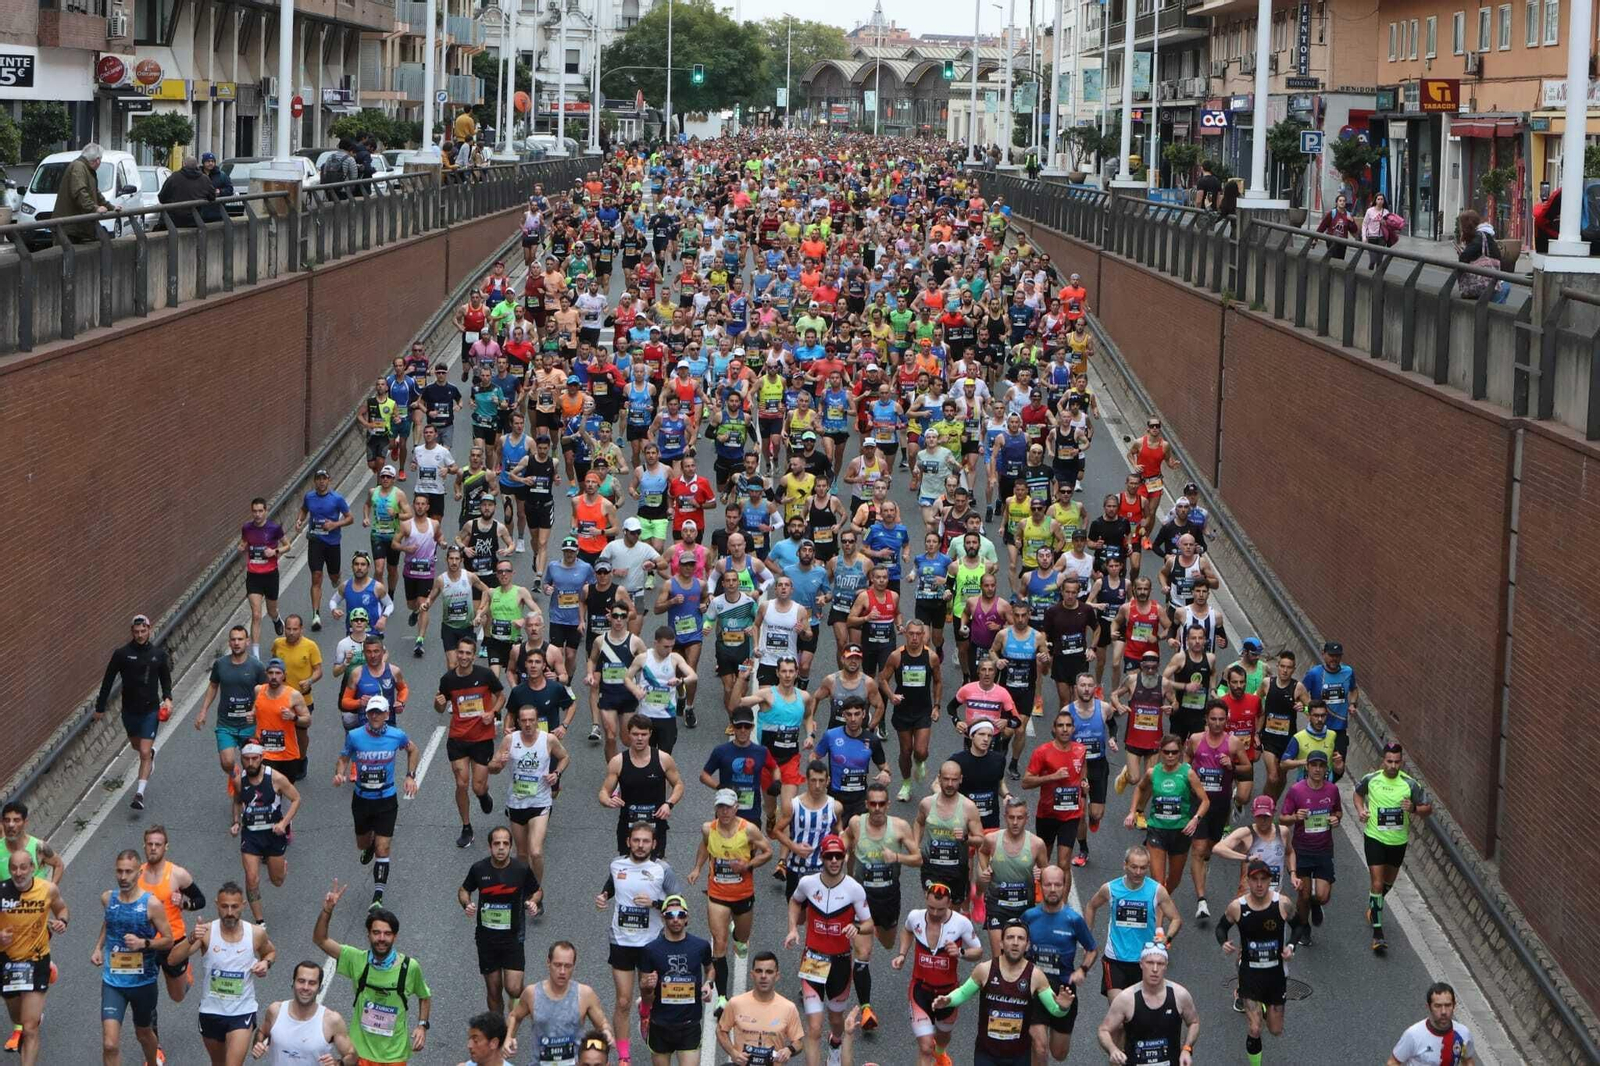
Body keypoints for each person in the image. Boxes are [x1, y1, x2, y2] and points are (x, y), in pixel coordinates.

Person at [312, 879, 433, 1065]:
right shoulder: (356, 959)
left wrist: (422, 1026)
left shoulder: (410, 967)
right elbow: (320, 940)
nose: (381, 938)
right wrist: (327, 910)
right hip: (360, 1053)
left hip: (395, 1055)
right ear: (368, 934)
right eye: (376, 933)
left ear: (395, 936)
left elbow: (424, 996)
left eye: (387, 933)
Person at [930, 919, 1076, 1066]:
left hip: (1019, 1056)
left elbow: (1055, 1010)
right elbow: (962, 993)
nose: (1015, 942)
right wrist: (948, 1000)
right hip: (986, 1055)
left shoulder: (1036, 976)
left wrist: (1063, 1007)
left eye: (1021, 938)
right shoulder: (984, 970)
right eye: (1010, 937)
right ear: (1001, 943)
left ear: (1027, 945)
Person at [599, 821, 684, 1066]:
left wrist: (656, 903)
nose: (640, 845)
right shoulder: (617, 865)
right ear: (628, 842)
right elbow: (611, 886)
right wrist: (603, 896)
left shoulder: (662, 869)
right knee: (623, 1000)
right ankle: (624, 1056)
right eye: (636, 840)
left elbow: (677, 902)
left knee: (650, 991)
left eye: (645, 841)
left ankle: (646, 1011)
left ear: (654, 844)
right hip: (621, 940)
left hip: (652, 943)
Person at [164, 881, 276, 1066]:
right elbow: (172, 960)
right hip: (211, 1011)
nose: (230, 912)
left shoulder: (255, 933)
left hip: (242, 1011)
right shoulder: (206, 932)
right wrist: (191, 938)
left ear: (243, 906)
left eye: (234, 906)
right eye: (224, 906)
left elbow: (270, 952)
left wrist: (266, 963)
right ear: (217, 904)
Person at [784, 834, 872, 1066]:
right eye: (829, 856)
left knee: (835, 1020)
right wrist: (793, 928)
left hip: (841, 963)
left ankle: (835, 1044)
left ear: (844, 858)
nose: (834, 861)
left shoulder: (854, 889)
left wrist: (856, 927)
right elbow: (795, 901)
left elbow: (869, 923)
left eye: (838, 856)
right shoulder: (807, 883)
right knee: (813, 1027)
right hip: (814, 959)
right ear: (821, 858)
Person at [688, 789, 775, 1010]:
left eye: (728, 807)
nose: (724, 812)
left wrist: (747, 865)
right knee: (719, 943)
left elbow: (768, 852)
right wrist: (698, 868)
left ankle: (738, 936)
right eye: (720, 807)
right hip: (717, 894)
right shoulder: (709, 829)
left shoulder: (748, 830)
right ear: (716, 808)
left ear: (736, 808)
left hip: (743, 894)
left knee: (742, 938)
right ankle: (722, 998)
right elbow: (704, 846)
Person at [333, 697, 421, 908]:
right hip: (362, 799)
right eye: (371, 712)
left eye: (378, 712)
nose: (374, 716)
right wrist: (339, 773)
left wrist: (410, 776)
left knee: (383, 849)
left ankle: (377, 897)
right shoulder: (355, 736)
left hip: (386, 799)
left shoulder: (396, 735)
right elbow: (344, 757)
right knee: (363, 844)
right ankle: (369, 845)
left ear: (386, 715)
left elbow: (413, 750)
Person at [94, 849, 174, 1066]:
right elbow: (110, 921)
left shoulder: (152, 904)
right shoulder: (107, 898)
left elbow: (168, 940)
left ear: (139, 872)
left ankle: (151, 1061)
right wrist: (98, 947)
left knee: (143, 1034)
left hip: (143, 982)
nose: (123, 877)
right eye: (119, 871)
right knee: (110, 1044)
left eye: (128, 872)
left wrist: (144, 943)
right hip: (113, 981)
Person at [1352, 742, 1432, 954]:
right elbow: (1357, 794)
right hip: (1375, 837)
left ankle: (1373, 907)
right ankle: (1378, 934)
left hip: (1398, 841)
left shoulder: (1410, 784)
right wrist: (1361, 811)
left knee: (1387, 884)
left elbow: (1427, 808)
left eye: (1397, 762)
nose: (1393, 766)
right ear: (1383, 761)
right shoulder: (1371, 779)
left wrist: (1413, 808)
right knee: (1377, 884)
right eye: (1389, 761)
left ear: (1402, 762)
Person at [892, 882, 984, 1066]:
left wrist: (960, 953)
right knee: (925, 1047)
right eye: (931, 907)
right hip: (920, 989)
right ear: (926, 898)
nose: (934, 913)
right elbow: (907, 931)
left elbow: (979, 951)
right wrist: (902, 954)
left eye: (940, 910)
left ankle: (940, 1053)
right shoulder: (915, 916)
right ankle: (932, 1053)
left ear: (949, 903)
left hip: (948, 993)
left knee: (942, 1037)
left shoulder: (961, 923)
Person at [1215, 860, 1295, 1064]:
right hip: (1250, 973)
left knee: (1276, 1030)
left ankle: (1267, 1007)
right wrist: (1223, 942)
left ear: (1270, 881)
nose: (1259, 884)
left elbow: (1300, 925)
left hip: (1276, 973)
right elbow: (1221, 927)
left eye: (1263, 880)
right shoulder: (1237, 907)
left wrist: (1291, 946)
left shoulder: (1282, 903)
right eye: (1255, 880)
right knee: (1254, 1028)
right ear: (1248, 881)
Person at [459, 826, 542, 1014]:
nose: (501, 848)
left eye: (505, 843)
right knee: (494, 990)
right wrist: (467, 904)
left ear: (511, 847)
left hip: (513, 936)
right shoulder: (479, 869)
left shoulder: (521, 869)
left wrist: (533, 902)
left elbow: (537, 890)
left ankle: (524, 1005)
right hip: (486, 939)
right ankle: (499, 1029)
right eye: (497, 843)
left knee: (513, 988)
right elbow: (464, 890)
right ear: (490, 847)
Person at [94, 613, 174, 810]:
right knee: (136, 746)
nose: (140, 635)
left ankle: (139, 794)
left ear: (149, 629)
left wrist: (168, 698)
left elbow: (165, 679)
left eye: (143, 631)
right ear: (132, 632)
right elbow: (108, 680)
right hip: (129, 710)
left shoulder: (158, 654)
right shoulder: (121, 654)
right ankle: (150, 754)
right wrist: (100, 707)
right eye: (136, 632)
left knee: (144, 752)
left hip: (151, 710)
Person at [1082, 846, 1182, 999]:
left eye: (1143, 868)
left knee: (1140, 1013)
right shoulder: (1110, 888)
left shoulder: (1157, 890)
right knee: (1118, 1012)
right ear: (1125, 865)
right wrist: (1087, 939)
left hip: (1144, 961)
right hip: (1115, 959)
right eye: (1134, 867)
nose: (1138, 872)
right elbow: (1091, 906)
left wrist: (1167, 938)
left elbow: (1176, 919)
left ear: (1148, 867)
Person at [436, 640, 509, 848]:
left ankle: (483, 794)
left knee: (477, 786)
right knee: (461, 783)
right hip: (458, 738)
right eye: (461, 652)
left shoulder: (485, 675)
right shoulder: (448, 679)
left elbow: (501, 697)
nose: (464, 656)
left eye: (468, 653)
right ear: (457, 654)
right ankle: (466, 827)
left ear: (474, 656)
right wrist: (438, 704)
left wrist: (493, 713)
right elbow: (440, 706)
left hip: (482, 738)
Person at [0, 850, 68, 1066]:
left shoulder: (47, 889)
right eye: (14, 868)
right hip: (7, 963)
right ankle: (29, 1015)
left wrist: (62, 922)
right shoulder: (1, 892)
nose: (18, 873)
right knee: (17, 1018)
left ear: (32, 868)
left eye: (23, 868)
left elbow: (62, 909)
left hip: (37, 961)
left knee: (29, 1028)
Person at [488, 700, 570, 877]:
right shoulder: (510, 740)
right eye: (523, 720)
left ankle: (536, 894)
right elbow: (492, 768)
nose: (527, 724)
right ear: (518, 722)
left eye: (531, 720)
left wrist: (556, 773)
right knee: (522, 854)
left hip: (540, 802)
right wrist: (499, 763)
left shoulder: (548, 739)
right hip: (516, 803)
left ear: (537, 721)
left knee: (536, 852)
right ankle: (523, 888)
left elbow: (564, 757)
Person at [503, 940, 614, 1062]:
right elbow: (514, 1016)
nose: (562, 971)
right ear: (548, 963)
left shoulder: (585, 994)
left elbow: (602, 1023)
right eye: (557, 965)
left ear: (574, 966)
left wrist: (606, 1033)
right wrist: (508, 1037)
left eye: (567, 966)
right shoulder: (532, 993)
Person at [637, 895, 716, 1065]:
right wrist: (647, 987)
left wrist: (709, 984)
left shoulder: (701, 946)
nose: (675, 920)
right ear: (663, 917)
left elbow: (710, 969)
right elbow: (646, 994)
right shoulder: (650, 950)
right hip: (660, 1024)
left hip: (689, 1024)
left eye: (680, 915)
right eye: (670, 915)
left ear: (687, 917)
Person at [230, 742, 302, 926]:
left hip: (273, 835)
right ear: (242, 760)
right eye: (247, 759)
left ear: (262, 758)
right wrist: (236, 822)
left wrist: (284, 823)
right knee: (251, 878)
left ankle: (280, 868)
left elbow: (296, 799)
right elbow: (237, 801)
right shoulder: (239, 780)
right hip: (251, 836)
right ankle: (260, 921)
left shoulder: (275, 778)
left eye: (255, 759)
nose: (251, 763)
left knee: (277, 881)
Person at [1095, 942, 1199, 1066]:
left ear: (1166, 966)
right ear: (1141, 964)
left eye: (1160, 964)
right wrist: (1113, 1050)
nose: (1155, 969)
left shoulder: (1180, 995)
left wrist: (1187, 1049)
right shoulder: (1126, 999)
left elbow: (1194, 1022)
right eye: (1150, 963)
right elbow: (1103, 1030)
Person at [1276, 749, 1341, 946]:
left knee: (1322, 895)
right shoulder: (1296, 790)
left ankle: (1316, 904)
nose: (1317, 769)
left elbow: (1338, 811)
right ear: (1307, 767)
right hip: (1301, 849)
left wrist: (1336, 819)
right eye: (1314, 765)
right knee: (1303, 893)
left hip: (1323, 849)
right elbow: (1282, 818)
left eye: (1321, 766)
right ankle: (1303, 928)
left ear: (1326, 768)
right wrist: (1296, 817)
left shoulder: (1332, 790)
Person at [599, 714, 685, 858]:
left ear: (650, 734)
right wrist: (607, 800)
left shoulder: (663, 759)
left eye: (644, 734)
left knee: (653, 869)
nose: (639, 738)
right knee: (628, 868)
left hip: (655, 824)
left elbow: (678, 784)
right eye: (635, 734)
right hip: (628, 825)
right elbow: (603, 791)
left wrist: (669, 804)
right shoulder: (618, 762)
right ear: (629, 734)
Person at [136, 825, 204, 1005]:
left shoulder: (177, 874)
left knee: (177, 996)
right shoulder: (136, 874)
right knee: (143, 996)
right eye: (149, 844)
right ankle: (149, 1026)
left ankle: (185, 974)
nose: (153, 848)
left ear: (165, 847)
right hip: (144, 941)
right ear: (144, 846)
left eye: (157, 844)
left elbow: (200, 899)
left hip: (173, 941)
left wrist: (185, 903)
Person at [197, 625, 269, 793]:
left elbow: (265, 692)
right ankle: (235, 778)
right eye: (233, 639)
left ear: (247, 642)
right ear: (229, 642)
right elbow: (213, 686)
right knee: (227, 762)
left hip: (249, 725)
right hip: (226, 724)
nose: (237, 643)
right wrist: (203, 711)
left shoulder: (256, 666)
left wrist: (255, 711)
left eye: (240, 639)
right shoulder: (220, 665)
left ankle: (249, 791)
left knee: (254, 763)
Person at [976, 797, 1047, 956]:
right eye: (1011, 817)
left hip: (1024, 907)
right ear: (1005, 817)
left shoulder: (1037, 844)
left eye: (1020, 818)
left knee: (1020, 957)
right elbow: (982, 852)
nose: (1015, 822)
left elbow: (1047, 873)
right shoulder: (992, 839)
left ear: (1026, 819)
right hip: (997, 905)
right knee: (999, 957)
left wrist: (1041, 874)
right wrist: (985, 868)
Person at [249, 960, 358, 1064]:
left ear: (320, 988)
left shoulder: (332, 1020)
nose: (305, 987)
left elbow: (352, 1056)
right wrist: (258, 1044)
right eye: (301, 981)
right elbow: (262, 1032)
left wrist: (338, 1064)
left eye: (312, 983)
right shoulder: (275, 1011)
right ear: (293, 983)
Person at [715, 950, 805, 1066]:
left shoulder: (788, 1008)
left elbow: (798, 1042)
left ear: (777, 976)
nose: (763, 976)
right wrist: (733, 1053)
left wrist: (789, 1050)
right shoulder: (735, 1003)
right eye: (759, 971)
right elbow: (721, 1030)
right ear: (752, 975)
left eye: (769, 972)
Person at [240, 497, 293, 658]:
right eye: (254, 511)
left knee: (271, 610)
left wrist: (274, 552)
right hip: (254, 576)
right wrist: (241, 547)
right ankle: (255, 654)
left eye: (260, 511)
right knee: (256, 614)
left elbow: (288, 545)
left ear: (266, 511)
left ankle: (276, 619)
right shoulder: (247, 528)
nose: (257, 515)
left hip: (270, 575)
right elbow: (244, 542)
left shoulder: (274, 528)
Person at [1388, 982, 1477, 1066]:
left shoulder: (1463, 1033)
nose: (1443, 1012)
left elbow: (1468, 1060)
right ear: (1428, 1007)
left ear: (1454, 1005)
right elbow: (1393, 1062)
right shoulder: (1413, 1035)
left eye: (1448, 1005)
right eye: (1437, 1006)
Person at [55, 143, 112, 243]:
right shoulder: (79, 167)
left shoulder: (85, 169)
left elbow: (95, 193)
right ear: (97, 160)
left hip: (75, 227)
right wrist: (95, 208)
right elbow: (80, 192)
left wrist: (111, 207)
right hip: (71, 229)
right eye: (100, 160)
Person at [1316, 192, 1355, 260]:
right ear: (1336, 203)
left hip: (1343, 242)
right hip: (1331, 240)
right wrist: (1315, 238)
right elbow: (1322, 226)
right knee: (1332, 259)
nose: (1342, 202)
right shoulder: (1332, 213)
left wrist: (1352, 221)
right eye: (1340, 201)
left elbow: (1354, 230)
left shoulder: (1348, 215)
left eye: (1344, 201)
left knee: (1340, 261)